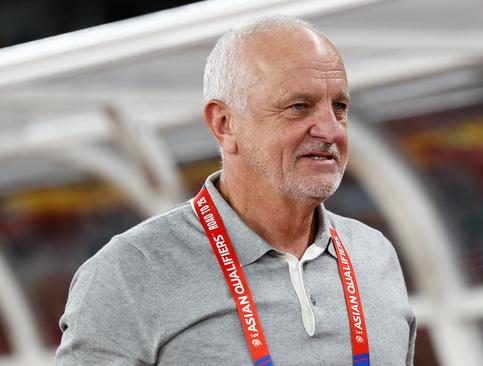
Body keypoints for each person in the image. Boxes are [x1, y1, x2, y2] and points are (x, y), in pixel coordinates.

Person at [54, 15, 415, 365]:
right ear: (224, 124)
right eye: (299, 107)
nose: (331, 130)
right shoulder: (130, 271)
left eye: (339, 107)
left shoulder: (373, 254)